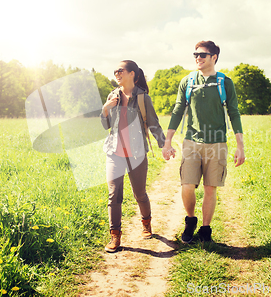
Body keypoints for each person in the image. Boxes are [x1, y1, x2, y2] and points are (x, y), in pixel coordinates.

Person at [162, 41, 245, 243]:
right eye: (195, 55)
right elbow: (178, 110)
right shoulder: (187, 81)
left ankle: (205, 230)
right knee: (187, 185)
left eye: (202, 55)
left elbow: (234, 113)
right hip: (192, 141)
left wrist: (240, 146)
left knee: (210, 188)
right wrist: (168, 141)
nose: (197, 58)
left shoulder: (225, 83)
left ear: (214, 57)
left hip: (217, 143)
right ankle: (190, 220)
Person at [101, 60, 166, 253]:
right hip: (115, 153)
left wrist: (164, 145)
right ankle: (115, 237)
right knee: (114, 196)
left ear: (132, 74)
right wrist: (105, 108)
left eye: (120, 70)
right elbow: (106, 126)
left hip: (137, 153)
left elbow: (153, 122)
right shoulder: (113, 96)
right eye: (115, 71)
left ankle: (146, 223)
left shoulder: (143, 98)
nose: (117, 74)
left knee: (140, 194)